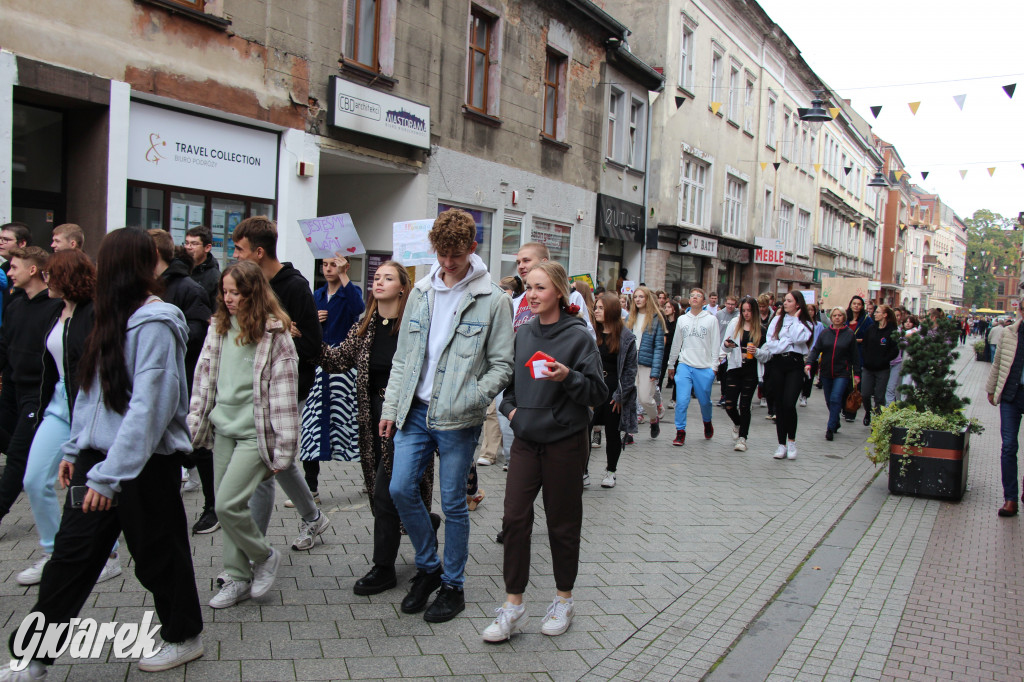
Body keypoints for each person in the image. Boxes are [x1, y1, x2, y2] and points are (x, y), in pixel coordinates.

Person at [6, 228, 204, 677]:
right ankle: (34, 657)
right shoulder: (105, 316)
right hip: (97, 461)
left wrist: (109, 475)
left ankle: (183, 636)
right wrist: (75, 448)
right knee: (70, 558)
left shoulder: (157, 322)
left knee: (158, 557)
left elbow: (149, 409)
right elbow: (89, 393)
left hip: (145, 465)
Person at [380, 208, 513, 623]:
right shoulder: (420, 292)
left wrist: (473, 396)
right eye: (441, 254)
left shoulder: (494, 299)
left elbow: (502, 365)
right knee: (400, 489)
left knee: (454, 503)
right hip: (415, 411)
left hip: (459, 416)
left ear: (472, 248)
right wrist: (391, 407)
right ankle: (429, 567)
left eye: (456, 254)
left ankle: (453, 586)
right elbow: (404, 357)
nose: (448, 262)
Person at [484, 262, 605, 643]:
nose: (532, 295)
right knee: (514, 519)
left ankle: (563, 600)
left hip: (565, 441)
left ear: (559, 292)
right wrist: (513, 413)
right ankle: (513, 605)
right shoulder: (523, 333)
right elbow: (509, 391)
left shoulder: (579, 337)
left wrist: (568, 376)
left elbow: (598, 393)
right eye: (528, 288)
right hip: (526, 440)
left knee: (562, 523)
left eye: (540, 288)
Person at [319, 261, 441, 595]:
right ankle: (426, 523)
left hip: (408, 421)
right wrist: (308, 338)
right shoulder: (365, 325)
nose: (379, 281)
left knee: (385, 494)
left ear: (403, 287)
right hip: (373, 421)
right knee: (392, 492)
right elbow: (335, 361)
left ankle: (383, 568)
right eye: (376, 277)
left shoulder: (415, 325)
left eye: (388, 277)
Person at [188, 261, 299, 609]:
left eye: (236, 292)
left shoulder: (275, 335)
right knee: (228, 509)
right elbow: (203, 378)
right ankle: (237, 577)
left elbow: (284, 395)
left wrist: (284, 449)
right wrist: (194, 422)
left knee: (226, 504)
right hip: (223, 429)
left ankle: (264, 555)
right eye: (225, 292)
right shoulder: (218, 327)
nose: (229, 298)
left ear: (254, 293)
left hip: (256, 434)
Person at [231, 216, 329, 553]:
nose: (235, 255)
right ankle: (313, 517)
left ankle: (253, 550)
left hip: (289, 387)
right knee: (276, 460)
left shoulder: (295, 287)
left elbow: (313, 346)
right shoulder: (248, 285)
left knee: (266, 461)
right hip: (254, 386)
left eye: (239, 249)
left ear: (258, 252)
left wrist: (284, 334)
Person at [16, 251, 114, 586]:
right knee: (34, 480)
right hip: (58, 407)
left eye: (50, 274)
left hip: (87, 406)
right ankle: (52, 552)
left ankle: (108, 555)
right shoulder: (55, 311)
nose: (45, 279)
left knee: (87, 484)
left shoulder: (94, 312)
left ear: (67, 277)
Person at [148, 229, 215, 524]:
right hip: (156, 379)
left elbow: (197, 333)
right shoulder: (146, 287)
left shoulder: (188, 288)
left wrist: (162, 334)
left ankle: (212, 506)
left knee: (198, 445)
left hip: (184, 377)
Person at [0, 247, 63, 530]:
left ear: (33, 270)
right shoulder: (15, 306)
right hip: (13, 388)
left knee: (17, 456)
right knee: (19, 450)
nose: (9, 273)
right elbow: (4, 346)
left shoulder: (54, 308)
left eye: (14, 267)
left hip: (38, 394)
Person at [297, 255, 365, 501]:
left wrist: (344, 274)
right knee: (312, 423)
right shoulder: (316, 295)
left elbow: (359, 309)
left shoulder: (351, 292)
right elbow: (302, 325)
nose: (328, 269)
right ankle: (311, 487)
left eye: (333, 264)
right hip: (318, 364)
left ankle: (370, 476)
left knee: (354, 422)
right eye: (325, 264)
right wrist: (312, 321)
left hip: (345, 368)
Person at [592, 292, 637, 488]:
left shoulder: (626, 337)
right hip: (593, 388)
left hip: (613, 389)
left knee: (612, 433)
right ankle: (583, 471)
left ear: (611, 310)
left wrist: (621, 395)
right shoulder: (591, 333)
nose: (596, 311)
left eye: (601, 308)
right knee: (584, 430)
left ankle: (611, 471)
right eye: (595, 307)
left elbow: (630, 370)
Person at [666, 288, 721, 446]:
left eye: (698, 296)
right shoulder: (682, 319)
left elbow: (715, 344)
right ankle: (680, 431)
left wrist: (714, 367)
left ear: (704, 301)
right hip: (685, 364)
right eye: (692, 296)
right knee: (682, 401)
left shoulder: (711, 320)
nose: (695, 298)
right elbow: (676, 343)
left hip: (704, 366)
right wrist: (671, 363)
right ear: (689, 300)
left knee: (704, 401)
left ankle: (707, 422)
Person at [763, 291, 813, 460]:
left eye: (789, 301)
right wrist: (786, 342)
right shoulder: (777, 320)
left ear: (798, 304)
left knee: (789, 404)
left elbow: (799, 339)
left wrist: (796, 320)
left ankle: (791, 441)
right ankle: (781, 444)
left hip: (795, 365)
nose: (785, 303)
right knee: (779, 405)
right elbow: (771, 344)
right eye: (784, 300)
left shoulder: (805, 322)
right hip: (778, 364)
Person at [987, 297, 1024, 516]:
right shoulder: (1009, 333)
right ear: (1021, 311)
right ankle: (1010, 499)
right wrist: (991, 388)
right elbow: (998, 361)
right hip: (1011, 394)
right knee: (1009, 446)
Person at [806, 308, 860, 441]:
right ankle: (835, 420)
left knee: (836, 398)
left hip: (842, 372)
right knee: (829, 400)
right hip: (826, 372)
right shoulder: (825, 333)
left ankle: (830, 428)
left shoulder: (849, 334)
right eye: (835, 315)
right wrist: (809, 363)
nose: (837, 317)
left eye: (840, 315)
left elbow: (855, 356)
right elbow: (816, 349)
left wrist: (857, 374)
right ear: (831, 318)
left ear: (844, 317)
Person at [720, 297, 764, 452]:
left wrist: (756, 351)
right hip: (735, 367)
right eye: (744, 310)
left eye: (749, 311)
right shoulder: (734, 324)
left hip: (751, 370)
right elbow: (724, 346)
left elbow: (767, 354)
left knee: (745, 405)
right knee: (729, 404)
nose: (746, 314)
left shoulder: (761, 329)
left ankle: (743, 438)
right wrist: (727, 345)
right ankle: (738, 423)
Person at [628, 286, 666, 438]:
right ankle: (629, 432)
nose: (638, 299)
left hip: (646, 363)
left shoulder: (656, 319)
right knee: (630, 398)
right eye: (635, 297)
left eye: (641, 296)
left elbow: (659, 347)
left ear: (647, 299)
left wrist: (655, 371)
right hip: (631, 363)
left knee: (645, 399)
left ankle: (653, 418)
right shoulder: (629, 318)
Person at [858, 304, 899, 426]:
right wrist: (866, 358)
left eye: (878, 312)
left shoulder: (892, 331)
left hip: (882, 369)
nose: (875, 314)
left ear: (885, 315)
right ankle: (868, 412)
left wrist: (884, 360)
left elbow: (895, 350)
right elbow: (864, 345)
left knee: (879, 397)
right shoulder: (871, 329)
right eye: (875, 312)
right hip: (868, 367)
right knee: (865, 394)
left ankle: (877, 421)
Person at [183, 226, 221, 306]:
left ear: (207, 248)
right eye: (186, 243)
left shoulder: (215, 278)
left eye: (194, 244)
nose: (188, 247)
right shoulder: (180, 269)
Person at [715, 296, 739, 405]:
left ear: (736, 305)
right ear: (725, 303)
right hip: (721, 347)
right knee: (723, 374)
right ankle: (723, 395)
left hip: (733, 348)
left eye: (732, 304)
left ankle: (730, 396)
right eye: (728, 304)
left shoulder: (738, 315)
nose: (730, 306)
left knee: (730, 374)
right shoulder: (719, 314)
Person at [799, 303, 825, 407]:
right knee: (800, 376)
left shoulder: (819, 325)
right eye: (808, 310)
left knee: (809, 377)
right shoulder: (801, 323)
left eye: (812, 310)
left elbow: (821, 339)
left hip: (813, 354)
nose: (810, 312)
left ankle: (805, 395)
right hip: (802, 353)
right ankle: (800, 391)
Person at [659, 299, 680, 395]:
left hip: (676, 350)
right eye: (665, 307)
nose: (666, 309)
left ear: (674, 309)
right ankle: (657, 396)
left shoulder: (678, 323)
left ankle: (675, 398)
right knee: (660, 374)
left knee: (676, 375)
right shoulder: (663, 322)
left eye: (669, 307)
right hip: (664, 350)